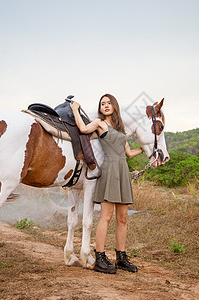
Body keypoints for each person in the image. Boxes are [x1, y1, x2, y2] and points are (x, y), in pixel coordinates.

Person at [70, 93, 143, 274]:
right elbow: (83, 128)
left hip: (122, 170)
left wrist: (147, 149)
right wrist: (75, 109)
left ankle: (121, 257)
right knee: (106, 216)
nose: (106, 105)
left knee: (123, 218)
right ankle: (100, 256)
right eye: (103, 104)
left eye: (109, 103)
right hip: (109, 170)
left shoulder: (121, 128)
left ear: (114, 105)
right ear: (100, 108)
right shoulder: (99, 123)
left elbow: (129, 153)